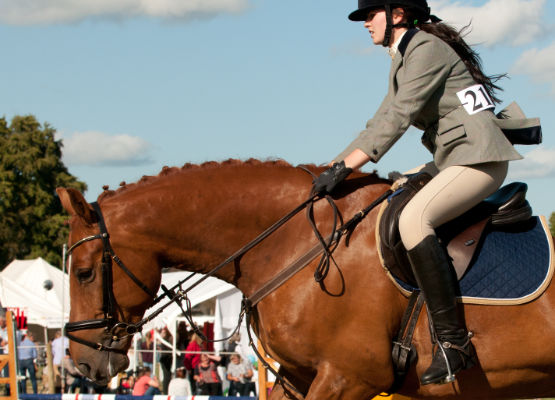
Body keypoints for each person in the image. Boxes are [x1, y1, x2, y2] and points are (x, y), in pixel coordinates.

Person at [312, 0, 539, 386]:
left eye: (370, 15)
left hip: (478, 159)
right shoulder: (404, 55)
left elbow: (398, 117)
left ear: (397, 15)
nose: (365, 23)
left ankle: (453, 344)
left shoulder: (425, 50)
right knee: (393, 191)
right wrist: (332, 169)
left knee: (417, 220)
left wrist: (344, 167)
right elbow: (379, 119)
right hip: (454, 157)